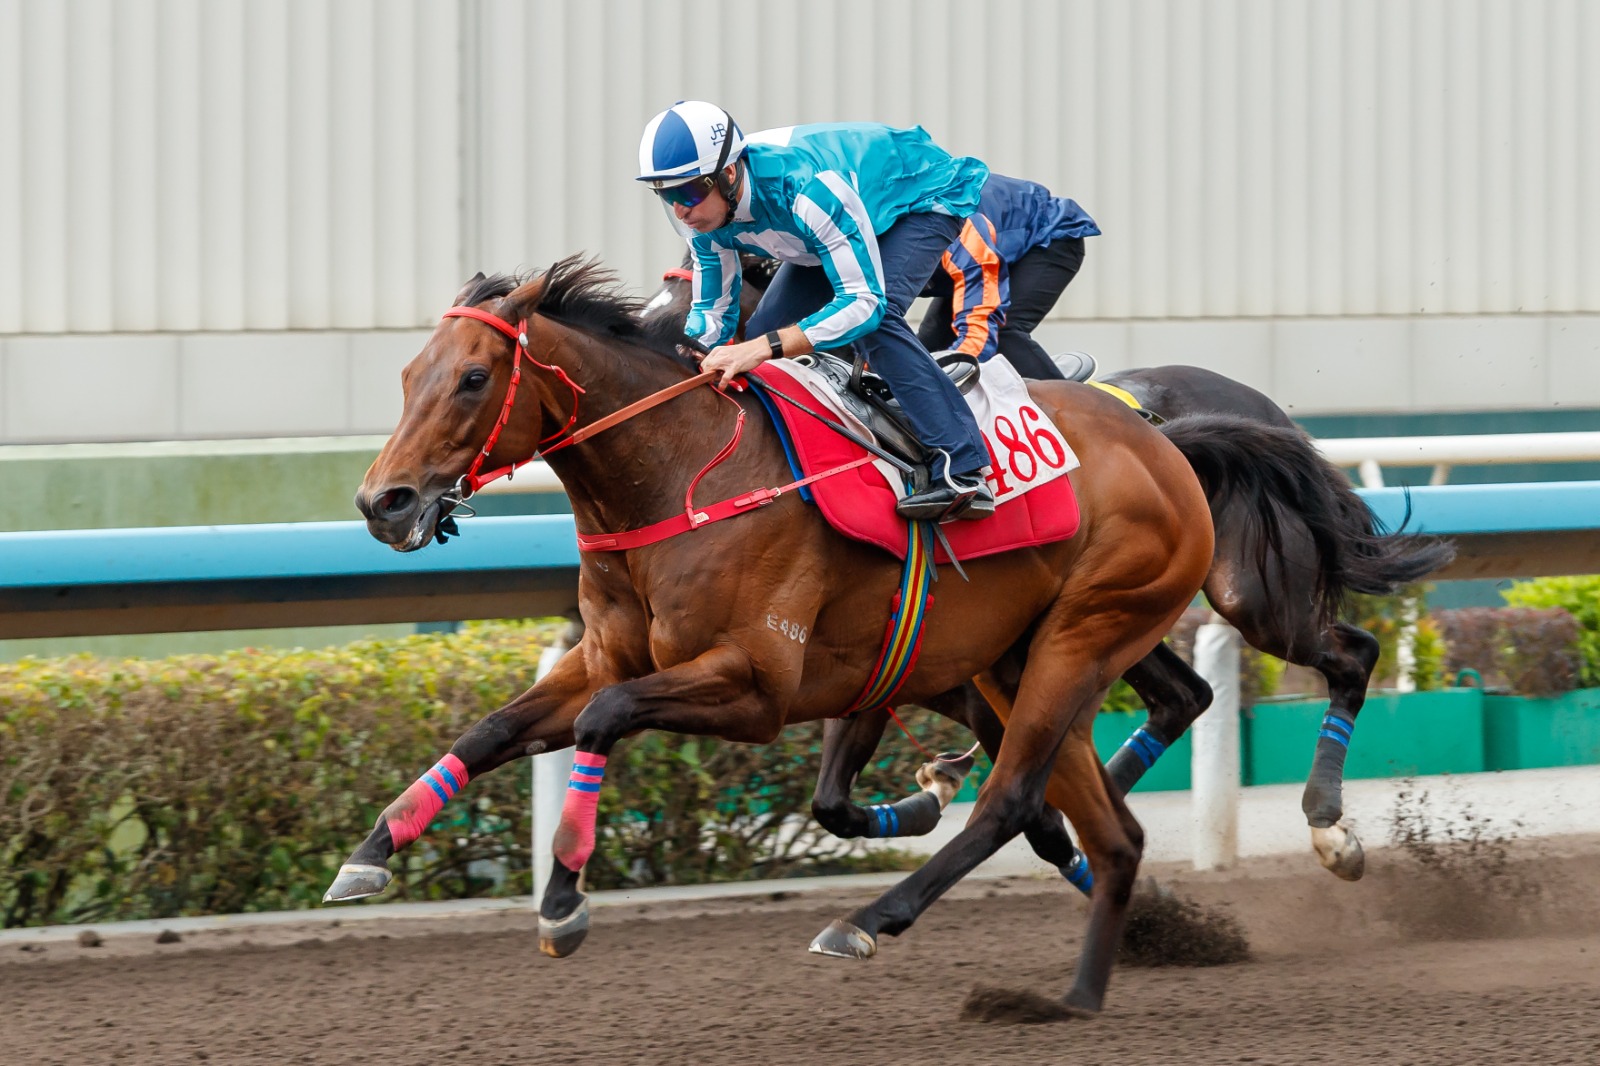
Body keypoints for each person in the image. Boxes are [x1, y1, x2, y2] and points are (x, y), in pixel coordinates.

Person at [637, 100, 995, 522]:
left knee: (873, 325)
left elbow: (864, 304)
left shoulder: (806, 189)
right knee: (770, 327)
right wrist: (684, 361)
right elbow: (711, 315)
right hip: (829, 228)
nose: (681, 210)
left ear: (728, 174)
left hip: (916, 202)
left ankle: (964, 468)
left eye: (688, 191)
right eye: (666, 195)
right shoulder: (705, 221)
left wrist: (759, 348)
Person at [918, 173, 1100, 381]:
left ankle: (1071, 406)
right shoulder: (880, 241)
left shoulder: (955, 230)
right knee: (928, 343)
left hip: (1045, 239)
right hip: (983, 251)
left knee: (1001, 331)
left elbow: (980, 333)